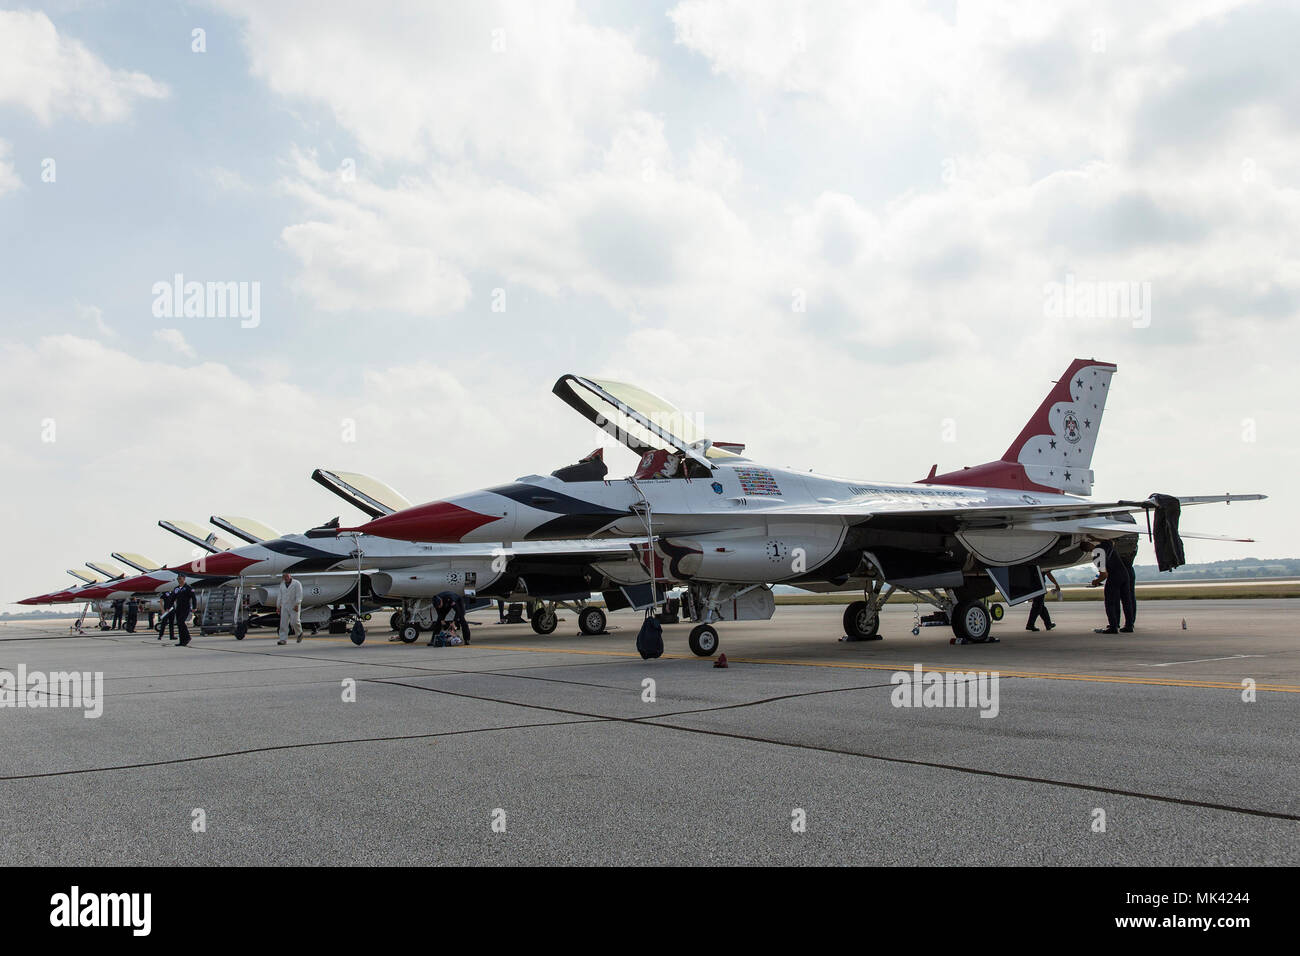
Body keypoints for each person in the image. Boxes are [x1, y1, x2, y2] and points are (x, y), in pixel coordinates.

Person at [1086, 538, 1134, 634]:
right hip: (1125, 575)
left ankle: (1113, 626)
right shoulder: (1105, 546)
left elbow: (1104, 575)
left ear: (1086, 551)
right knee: (1126, 601)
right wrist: (1094, 538)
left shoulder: (1096, 556)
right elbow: (1111, 541)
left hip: (1114, 577)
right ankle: (1129, 625)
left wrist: (1096, 581)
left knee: (1110, 602)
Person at [276, 571, 304, 645]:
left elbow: (299, 594)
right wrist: (278, 606)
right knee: (283, 623)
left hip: (294, 605)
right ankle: (283, 639)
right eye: (284, 576)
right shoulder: (282, 584)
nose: (286, 578)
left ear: (290, 575)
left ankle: (299, 633)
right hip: (284, 605)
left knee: (295, 622)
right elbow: (280, 595)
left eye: (287, 576)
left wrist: (297, 604)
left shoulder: (296, 583)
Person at [170, 573, 196, 647]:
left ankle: (187, 637)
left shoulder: (188, 588)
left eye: (180, 578)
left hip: (186, 608)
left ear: (184, 579)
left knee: (181, 622)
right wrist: (168, 607)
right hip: (178, 608)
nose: (179, 580)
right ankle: (182, 641)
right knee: (179, 624)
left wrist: (194, 607)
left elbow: (193, 598)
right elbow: (172, 598)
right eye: (178, 579)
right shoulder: (176, 589)